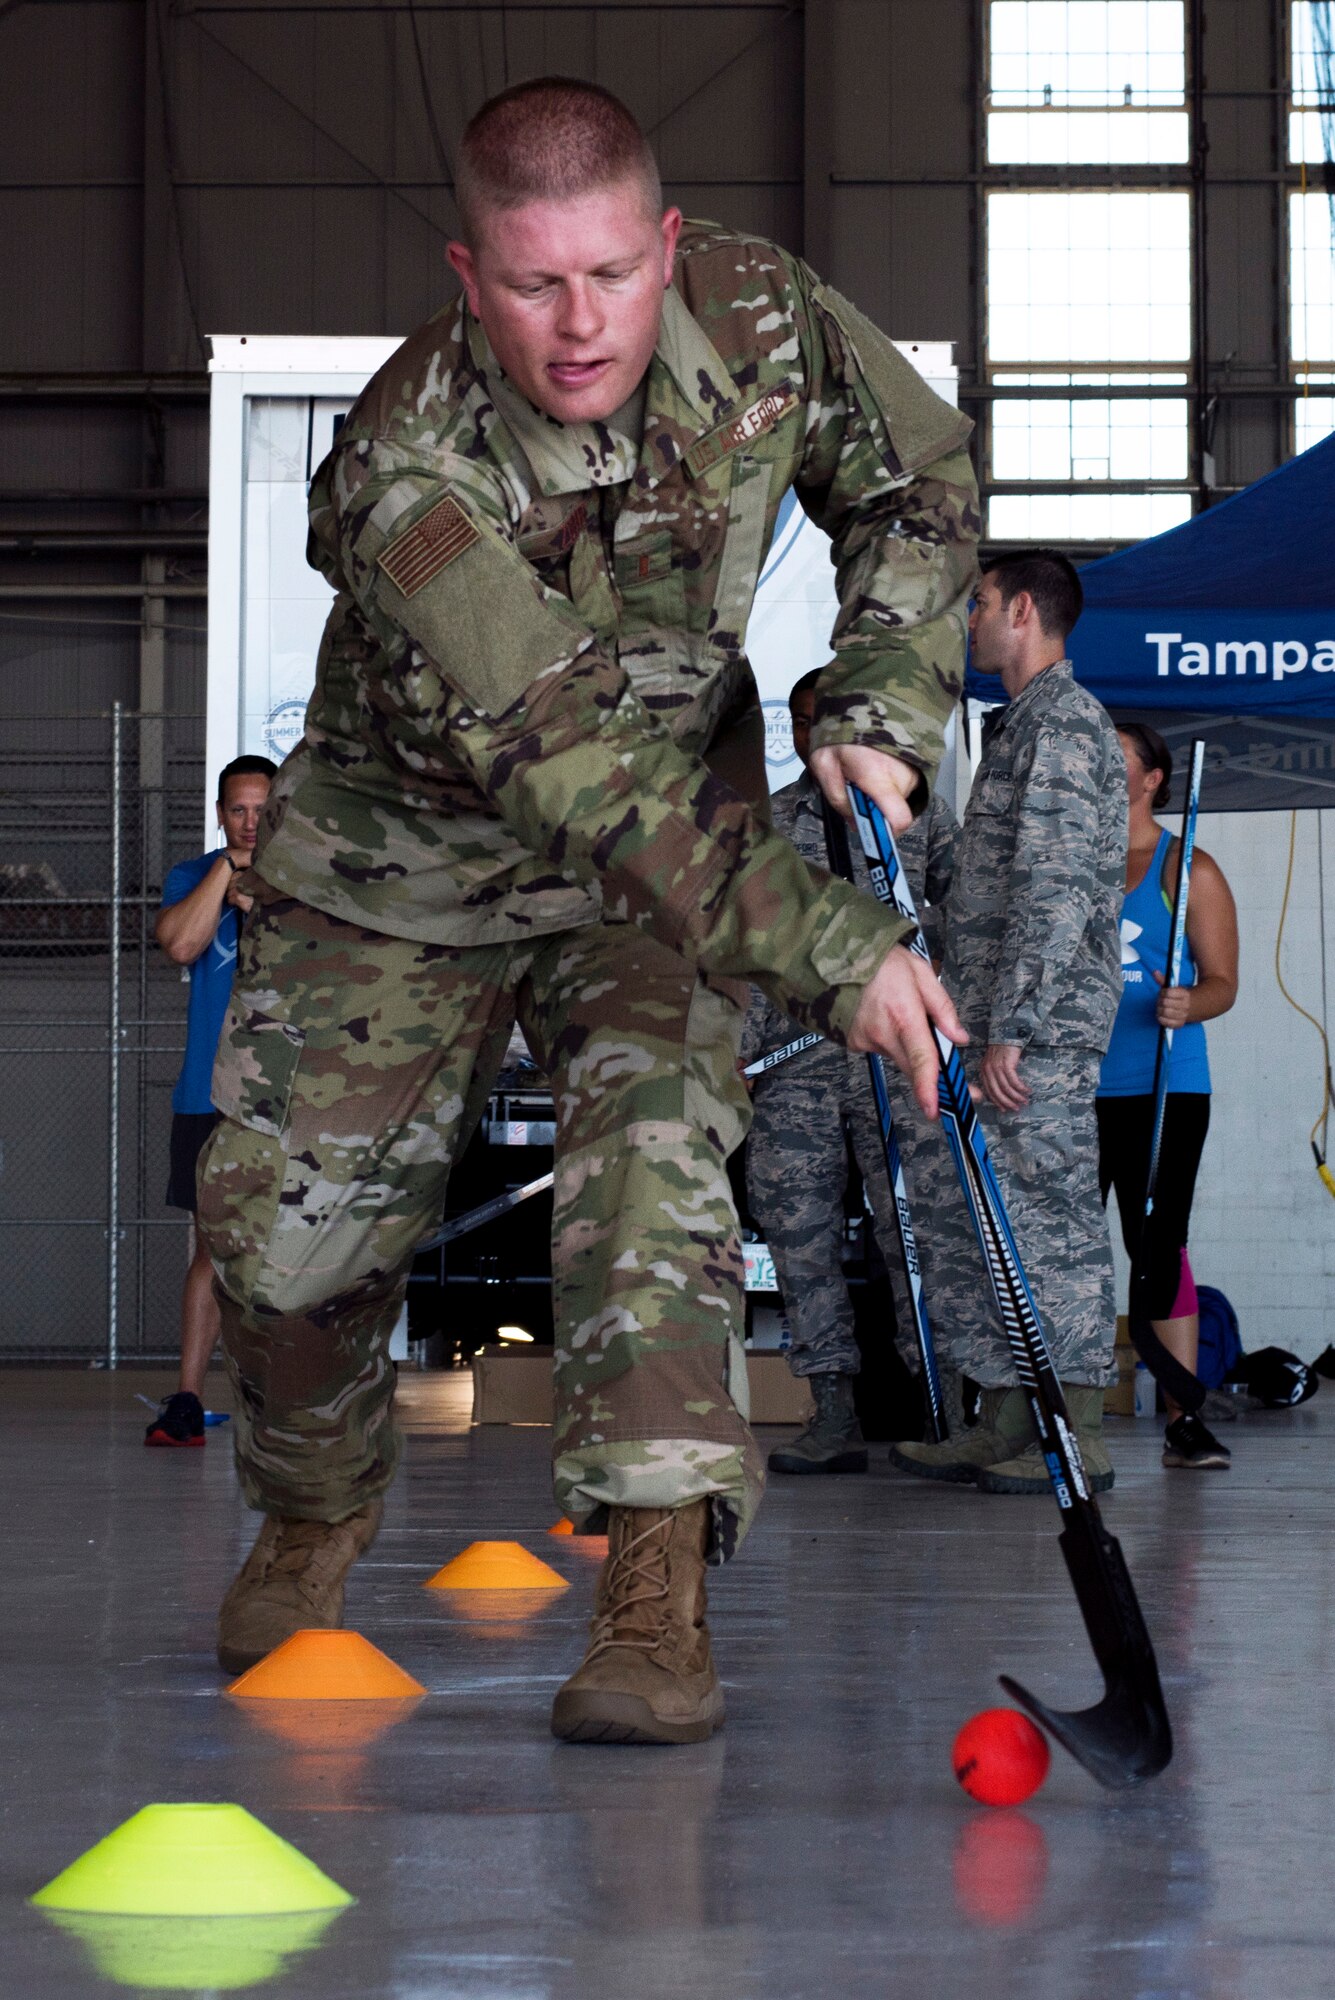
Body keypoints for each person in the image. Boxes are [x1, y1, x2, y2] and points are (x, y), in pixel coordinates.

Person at [197, 76, 979, 1745]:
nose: (581, 325)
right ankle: (316, 1500)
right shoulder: (408, 461)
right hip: (402, 875)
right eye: (534, 284)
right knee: (278, 1261)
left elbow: (915, 475)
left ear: (670, 245)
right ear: (467, 279)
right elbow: (561, 759)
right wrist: (839, 945)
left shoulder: (767, 316)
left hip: (661, 867)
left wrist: (882, 697)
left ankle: (654, 1584)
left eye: (614, 276)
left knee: (654, 1182)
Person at [892, 549, 1125, 1494]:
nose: (970, 620)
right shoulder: (1017, 728)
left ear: (1022, 610)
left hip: (1031, 1035)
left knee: (1050, 1223)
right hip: (986, 1022)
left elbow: (1057, 887)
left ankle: (1077, 1434)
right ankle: (1003, 1413)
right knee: (982, 1220)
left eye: (980, 603)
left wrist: (1014, 1025)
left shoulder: (1064, 725)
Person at [744, 666, 958, 1473]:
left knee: (915, 1231)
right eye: (796, 722)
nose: (807, 736)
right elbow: (744, 946)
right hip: (792, 1061)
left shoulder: (913, 813)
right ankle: (829, 1409)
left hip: (897, 1058)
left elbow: (957, 912)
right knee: (797, 1231)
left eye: (819, 719)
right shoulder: (765, 826)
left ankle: (931, 1404)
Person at [1097, 722, 1238, 1471]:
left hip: (1160, 1083)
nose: (1097, 759)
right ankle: (1053, 1412)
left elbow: (1222, 983)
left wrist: (1188, 1001)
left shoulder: (1190, 870)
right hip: (1066, 1087)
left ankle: (1184, 1414)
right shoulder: (1070, 861)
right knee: (1060, 1248)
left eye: (1115, 752)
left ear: (1152, 777)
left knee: (1154, 1247)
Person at [147, 755, 277, 1446]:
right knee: (212, 1250)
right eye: (238, 810)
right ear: (221, 813)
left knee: (296, 1255)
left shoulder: (315, 878)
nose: (251, 823)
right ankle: (189, 1400)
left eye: (263, 809)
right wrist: (228, 870)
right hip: (211, 1095)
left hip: (296, 1098)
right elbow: (181, 944)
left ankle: (283, 1405)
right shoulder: (194, 875)